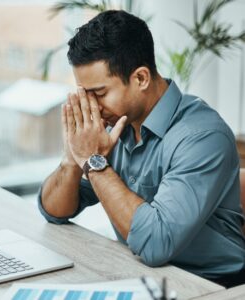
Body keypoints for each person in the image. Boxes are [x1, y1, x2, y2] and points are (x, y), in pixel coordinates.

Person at [38, 10, 245, 287]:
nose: (92, 107)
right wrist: (72, 156)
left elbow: (156, 244)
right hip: (140, 274)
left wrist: (93, 160)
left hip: (213, 285)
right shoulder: (112, 126)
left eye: (99, 93)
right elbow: (55, 210)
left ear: (141, 78)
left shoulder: (202, 136)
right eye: (85, 94)